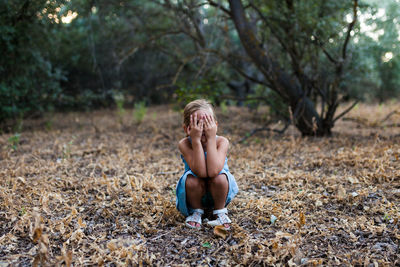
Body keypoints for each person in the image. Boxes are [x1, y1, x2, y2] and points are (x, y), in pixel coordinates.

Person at [176, 99, 239, 230]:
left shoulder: (222, 141)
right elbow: (200, 172)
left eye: (207, 123)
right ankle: (196, 211)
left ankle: (220, 212)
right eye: (197, 124)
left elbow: (213, 171)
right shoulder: (185, 144)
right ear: (187, 128)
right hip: (195, 194)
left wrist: (211, 138)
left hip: (218, 193)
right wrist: (196, 141)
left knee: (221, 177)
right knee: (191, 180)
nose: (203, 128)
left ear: (215, 125)